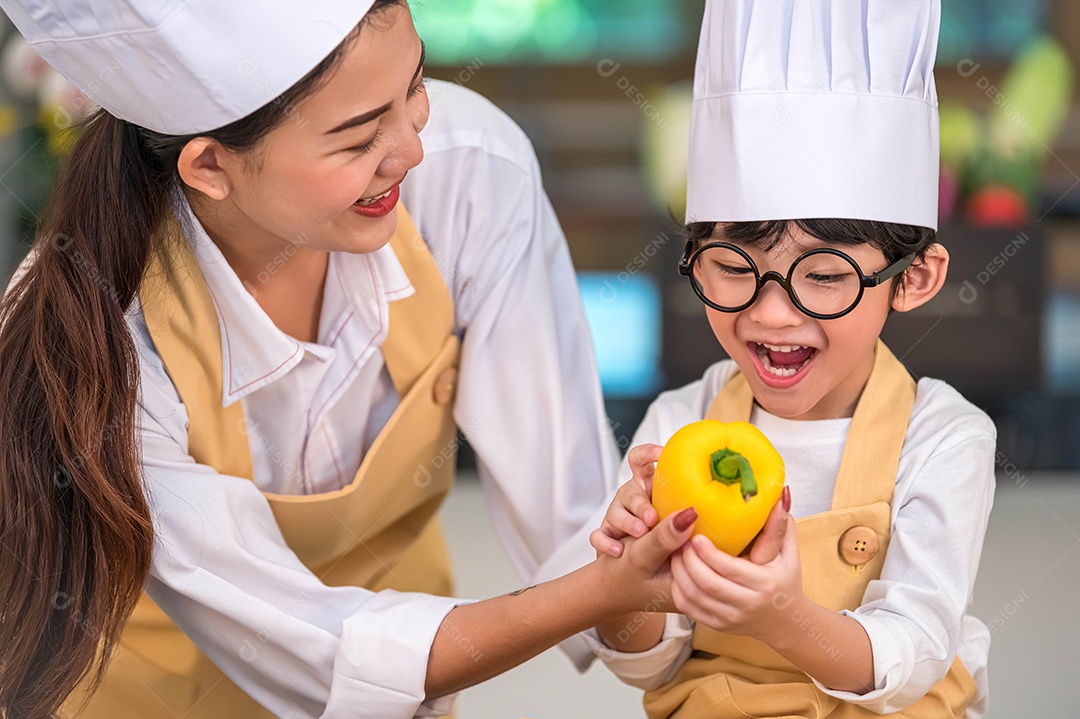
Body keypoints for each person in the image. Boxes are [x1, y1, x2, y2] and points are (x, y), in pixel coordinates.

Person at [0, 2, 686, 717]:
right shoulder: (98, 338)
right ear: (209, 166)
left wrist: (643, 586)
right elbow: (331, 652)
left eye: (415, 85)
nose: (411, 150)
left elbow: (576, 520)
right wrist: (599, 590)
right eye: (358, 138)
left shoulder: (468, 176)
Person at [585, 0, 996, 717]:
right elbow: (644, 662)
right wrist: (630, 584)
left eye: (827, 275)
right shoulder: (680, 421)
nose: (772, 314)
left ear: (915, 277)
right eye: (732, 265)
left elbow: (916, 648)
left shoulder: (943, 436)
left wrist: (783, 618)